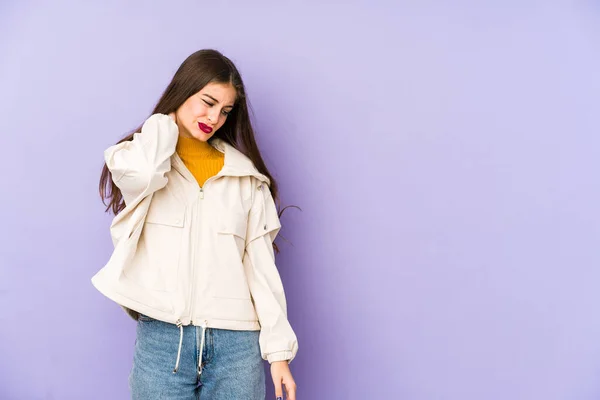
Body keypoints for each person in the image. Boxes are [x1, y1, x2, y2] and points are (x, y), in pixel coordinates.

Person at [92, 49, 298, 400]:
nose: (214, 117)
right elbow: (143, 174)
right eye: (207, 101)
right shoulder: (141, 159)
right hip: (163, 341)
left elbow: (261, 269)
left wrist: (279, 355)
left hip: (236, 346)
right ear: (183, 90)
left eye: (225, 110)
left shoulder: (246, 180)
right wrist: (165, 121)